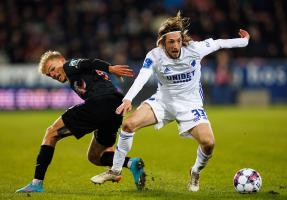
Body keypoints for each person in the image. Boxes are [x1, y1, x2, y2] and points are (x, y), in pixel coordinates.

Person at [91, 11, 250, 192]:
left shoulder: (195, 49)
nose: (175, 46)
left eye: (178, 41)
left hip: (190, 104)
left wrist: (244, 41)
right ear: (163, 43)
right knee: (128, 125)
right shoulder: (155, 55)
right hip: (163, 101)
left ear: (182, 40)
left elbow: (219, 43)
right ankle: (115, 169)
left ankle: (195, 171)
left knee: (209, 143)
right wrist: (128, 98)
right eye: (171, 42)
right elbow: (142, 77)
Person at [16, 51, 146, 193]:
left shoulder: (69, 65)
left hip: (100, 103)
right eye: (49, 74)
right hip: (115, 108)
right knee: (95, 156)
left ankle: (36, 183)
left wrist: (111, 68)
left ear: (61, 60)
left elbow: (89, 62)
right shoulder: (77, 74)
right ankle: (131, 163)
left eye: (52, 69)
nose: (52, 75)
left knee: (51, 132)